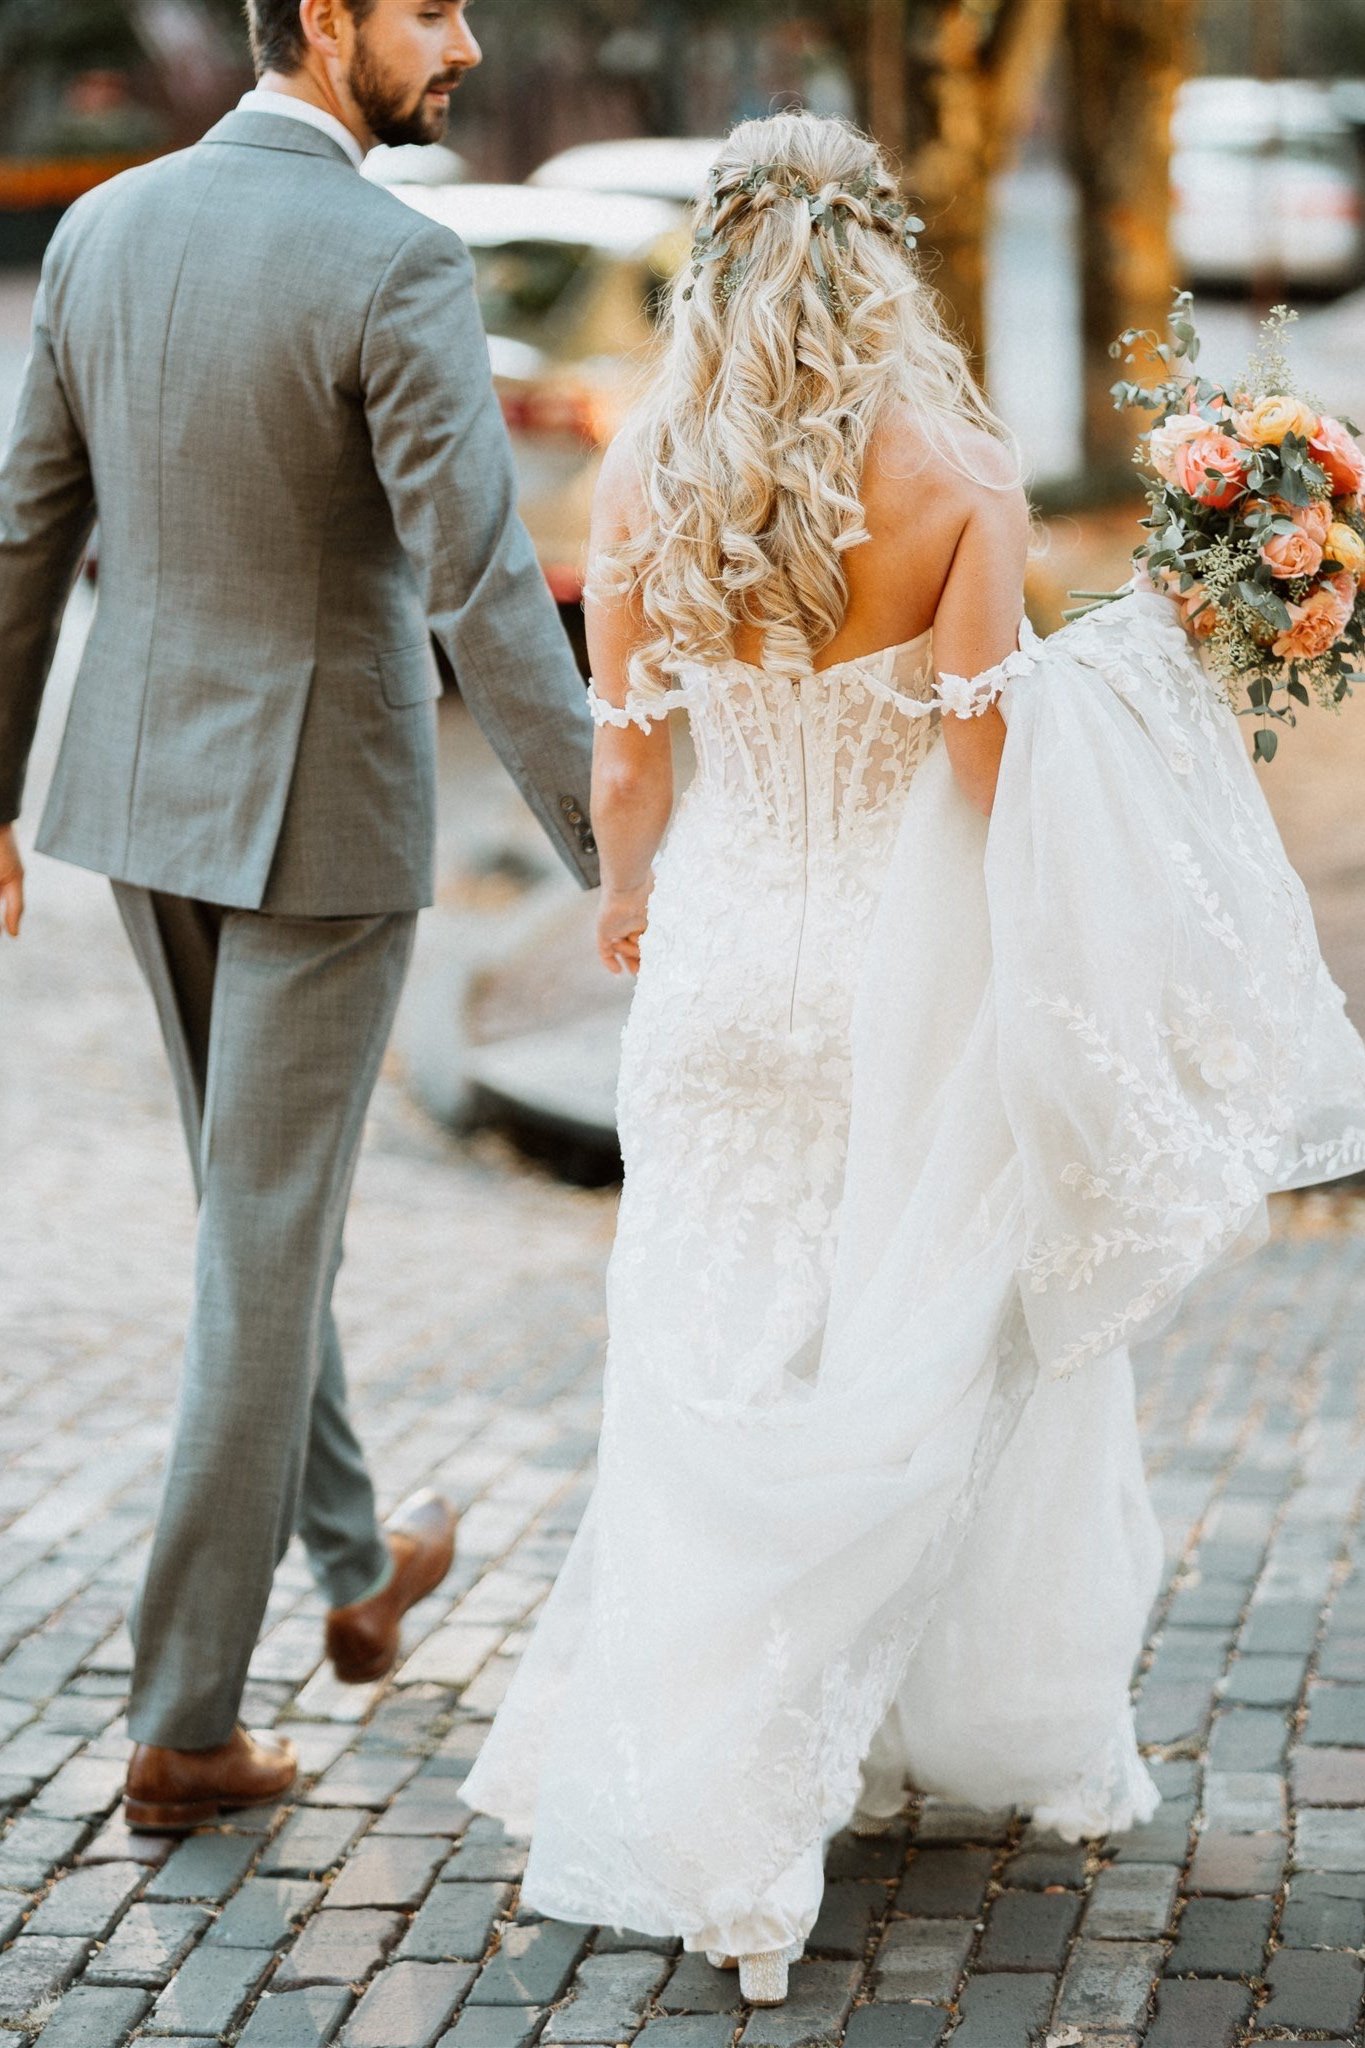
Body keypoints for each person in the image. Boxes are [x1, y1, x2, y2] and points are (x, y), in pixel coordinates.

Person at [460, 112, 1365, 2004]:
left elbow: (625, 758)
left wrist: (628, 903)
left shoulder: (645, 471)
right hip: (899, 970)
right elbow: (980, 764)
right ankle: (824, 1753)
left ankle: (729, 1763)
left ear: (716, 269)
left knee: (711, 1347)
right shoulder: (953, 472)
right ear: (883, 267)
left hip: (720, 958)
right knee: (907, 1343)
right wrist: (1139, 695)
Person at [0, 0, 598, 1833]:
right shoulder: (394, 259)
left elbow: (28, 526)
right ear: (326, 20)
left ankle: (352, 1565)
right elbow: (487, 576)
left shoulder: (102, 226)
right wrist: (611, 841)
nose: (470, 46)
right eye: (433, 11)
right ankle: (185, 1725)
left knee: (256, 1214)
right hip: (319, 824)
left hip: (138, 804)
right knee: (259, 1247)